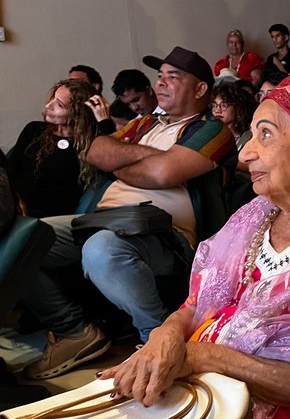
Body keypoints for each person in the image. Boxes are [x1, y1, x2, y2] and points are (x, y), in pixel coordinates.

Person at [99, 75, 290, 419]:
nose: (245, 153)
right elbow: (195, 304)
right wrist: (165, 334)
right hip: (201, 396)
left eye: (265, 134)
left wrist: (204, 357)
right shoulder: (252, 218)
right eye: (250, 135)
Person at [21, 46, 237, 380]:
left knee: (101, 248)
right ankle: (74, 330)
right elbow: (96, 151)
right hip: (103, 217)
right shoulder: (146, 123)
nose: (160, 83)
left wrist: (125, 161)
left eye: (173, 77)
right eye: (160, 76)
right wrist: (150, 160)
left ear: (199, 89)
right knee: (23, 239)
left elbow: (164, 174)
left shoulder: (211, 130)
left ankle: (156, 336)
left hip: (164, 233)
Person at [8, 79, 104, 218]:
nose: (48, 105)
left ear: (78, 113)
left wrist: (105, 123)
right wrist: (16, 199)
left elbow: (113, 161)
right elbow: (10, 170)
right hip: (15, 205)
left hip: (47, 216)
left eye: (59, 104)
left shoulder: (91, 144)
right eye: (52, 98)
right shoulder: (34, 129)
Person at [210, 82, 258, 152]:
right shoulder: (208, 135)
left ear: (237, 108)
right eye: (214, 105)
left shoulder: (247, 138)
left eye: (224, 105)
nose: (217, 110)